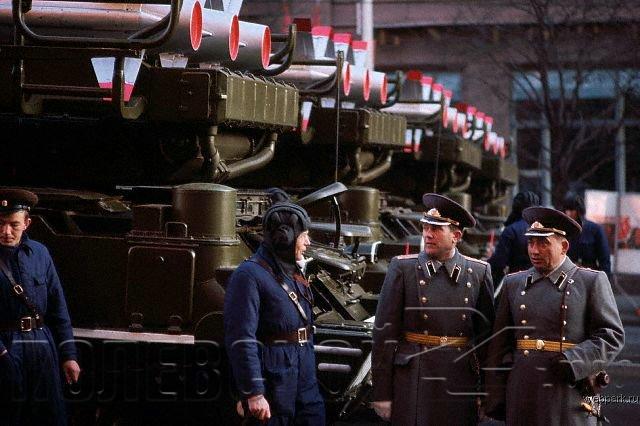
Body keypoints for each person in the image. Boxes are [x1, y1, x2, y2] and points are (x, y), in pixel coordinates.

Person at [485, 206, 625, 425]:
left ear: (564, 246)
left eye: (543, 243)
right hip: (523, 391)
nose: (534, 250)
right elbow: (499, 346)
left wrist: (574, 360)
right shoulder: (514, 283)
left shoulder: (590, 281)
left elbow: (612, 335)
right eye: (531, 242)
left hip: (568, 391)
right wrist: (494, 396)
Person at [371, 193, 496, 425]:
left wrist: (486, 393)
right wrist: (382, 394)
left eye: (436, 229)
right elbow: (384, 336)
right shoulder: (403, 268)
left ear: (456, 236)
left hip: (459, 380)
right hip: (414, 381)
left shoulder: (479, 273)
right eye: (426, 227)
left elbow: (486, 342)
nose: (427, 234)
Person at [224, 202, 324, 425]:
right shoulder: (248, 275)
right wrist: (254, 392)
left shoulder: (292, 272)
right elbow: (241, 337)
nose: (308, 242)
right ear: (284, 238)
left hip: (304, 376)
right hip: (274, 382)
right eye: (304, 236)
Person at [0, 188, 80, 426]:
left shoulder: (40, 254)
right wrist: (2, 354)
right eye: (1, 224)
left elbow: (58, 308)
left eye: (14, 224)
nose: (6, 231)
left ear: (27, 223)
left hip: (41, 344)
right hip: (5, 346)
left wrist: (69, 355)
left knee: (49, 415)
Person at [488, 191, 540, 286]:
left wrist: (488, 261)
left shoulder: (511, 230)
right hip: (541, 283)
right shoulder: (543, 229)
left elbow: (499, 263)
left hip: (517, 284)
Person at [562, 192, 612, 279]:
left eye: (572, 210)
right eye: (567, 210)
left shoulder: (594, 229)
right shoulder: (562, 229)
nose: (568, 213)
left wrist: (604, 280)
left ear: (579, 211)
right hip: (566, 275)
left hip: (588, 275)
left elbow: (604, 259)